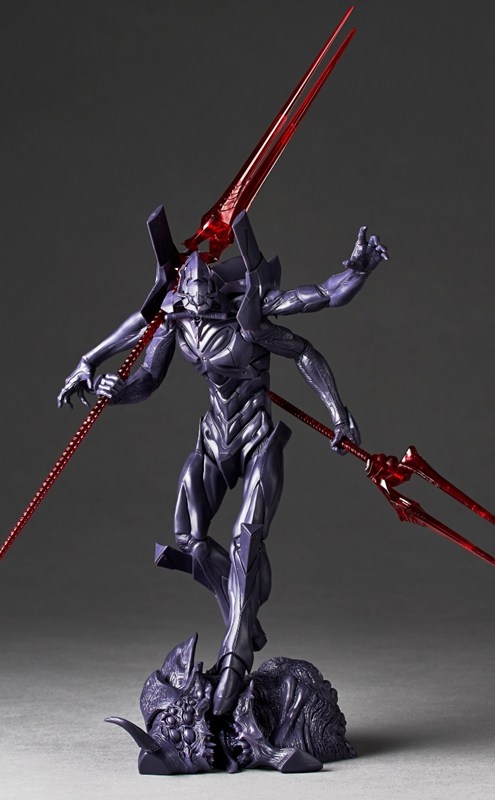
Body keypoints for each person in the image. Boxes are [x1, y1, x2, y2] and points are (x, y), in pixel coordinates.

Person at [57, 212, 386, 714]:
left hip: (257, 439)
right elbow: (147, 378)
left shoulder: (249, 315)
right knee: (188, 537)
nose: (199, 303)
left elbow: (318, 311)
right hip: (214, 438)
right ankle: (241, 609)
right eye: (190, 297)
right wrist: (115, 389)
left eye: (206, 294)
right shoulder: (178, 323)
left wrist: (357, 274)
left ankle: (235, 652)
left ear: (218, 289)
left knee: (246, 536)